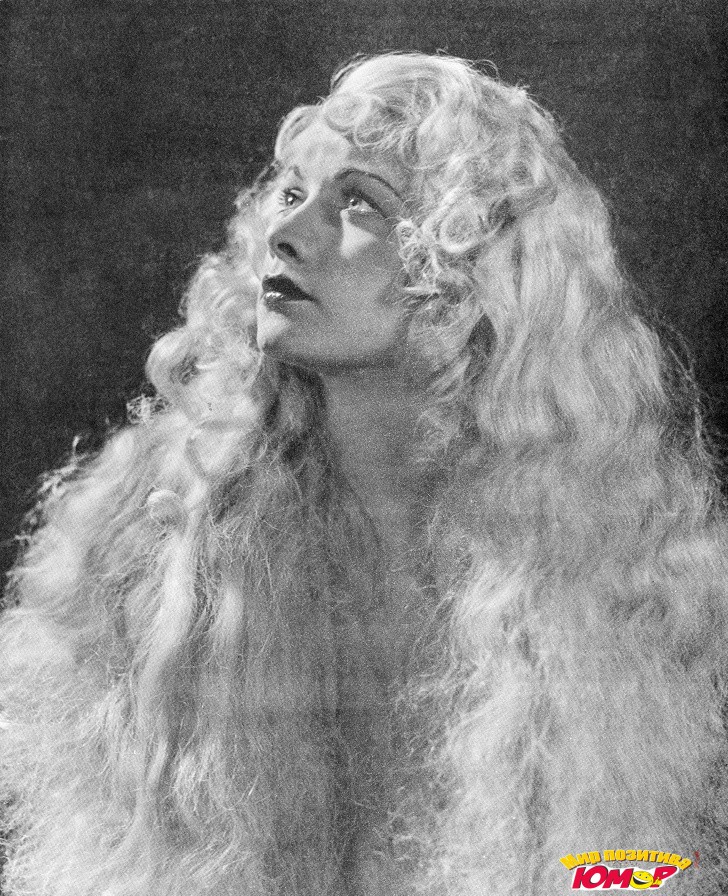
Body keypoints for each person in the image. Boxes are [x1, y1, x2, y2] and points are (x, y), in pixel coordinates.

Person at [1, 51, 726, 896]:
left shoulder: (634, 575)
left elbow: (647, 871)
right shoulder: (149, 535)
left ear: (473, 271)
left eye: (357, 203)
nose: (285, 233)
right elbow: (92, 863)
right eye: (290, 194)